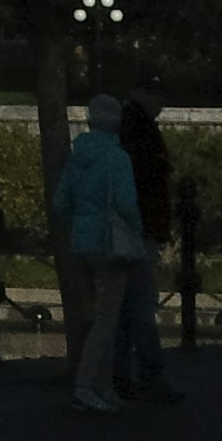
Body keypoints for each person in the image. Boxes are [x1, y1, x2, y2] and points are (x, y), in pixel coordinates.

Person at [54, 100, 152, 416]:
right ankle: (86, 387)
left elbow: (60, 203)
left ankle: (102, 386)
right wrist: (138, 230)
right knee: (107, 319)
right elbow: (126, 203)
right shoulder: (117, 157)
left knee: (97, 316)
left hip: (81, 242)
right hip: (110, 244)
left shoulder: (77, 156)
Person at [115, 96, 184, 403]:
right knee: (141, 307)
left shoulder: (122, 140)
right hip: (138, 232)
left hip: (122, 235)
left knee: (123, 310)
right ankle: (148, 375)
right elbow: (144, 188)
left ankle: (119, 375)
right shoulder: (140, 138)